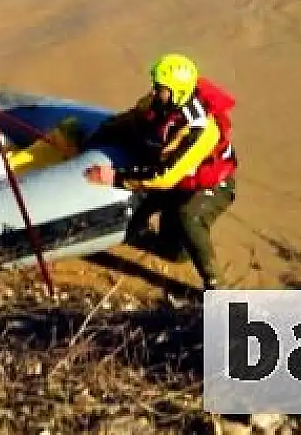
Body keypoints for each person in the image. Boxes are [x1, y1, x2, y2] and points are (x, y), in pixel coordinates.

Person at [82, 53, 237, 292]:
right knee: (163, 245)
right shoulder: (160, 103)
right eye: (156, 86)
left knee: (188, 219)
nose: (155, 92)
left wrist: (115, 177)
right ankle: (145, 236)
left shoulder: (201, 129)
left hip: (209, 186)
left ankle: (216, 285)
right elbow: (130, 120)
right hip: (176, 180)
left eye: (161, 88)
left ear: (177, 92)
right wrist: (94, 139)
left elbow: (165, 176)